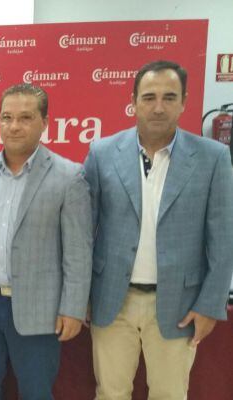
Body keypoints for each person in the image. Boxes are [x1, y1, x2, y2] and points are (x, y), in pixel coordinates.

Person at [84, 60, 233, 399]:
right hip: (112, 301)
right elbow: (83, 231)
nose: (159, 106)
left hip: (179, 305)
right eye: (149, 97)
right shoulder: (102, 153)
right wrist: (82, 295)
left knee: (169, 394)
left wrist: (211, 305)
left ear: (184, 101)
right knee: (110, 392)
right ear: (134, 101)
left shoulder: (213, 157)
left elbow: (223, 239)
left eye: (169, 97)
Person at [0, 83, 92, 399]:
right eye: (6, 117)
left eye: (25, 117)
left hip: (39, 308)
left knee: (37, 392)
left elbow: (78, 253)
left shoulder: (68, 176)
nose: (14, 126)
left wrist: (74, 308)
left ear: (45, 123)